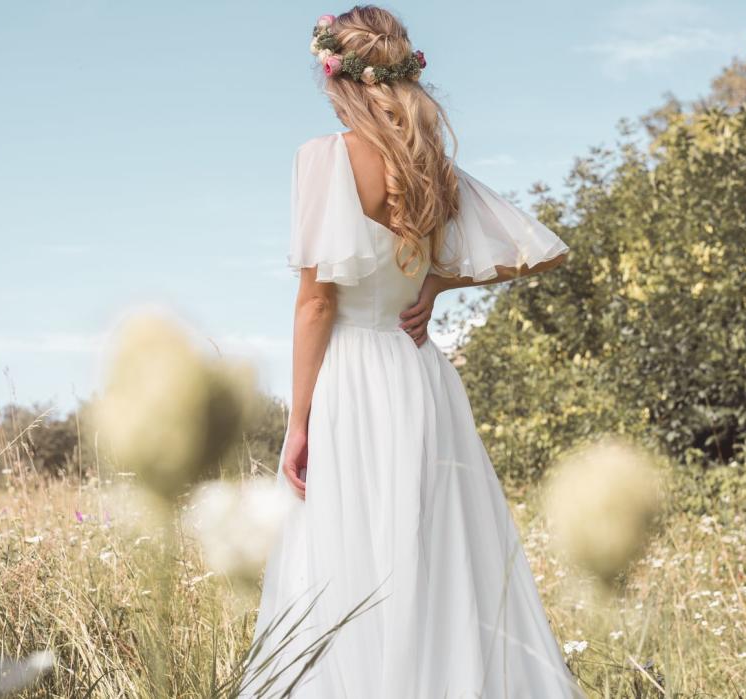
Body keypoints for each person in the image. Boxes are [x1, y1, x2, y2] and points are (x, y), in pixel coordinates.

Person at [241, 6, 583, 697]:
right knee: (437, 553)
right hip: (417, 372)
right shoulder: (430, 162)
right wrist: (435, 278)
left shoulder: (324, 159)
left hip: (351, 379)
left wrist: (298, 421)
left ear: (336, 76)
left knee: (345, 555)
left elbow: (316, 303)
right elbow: (537, 251)